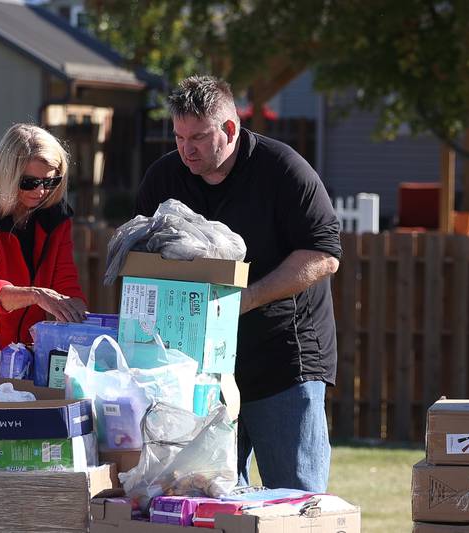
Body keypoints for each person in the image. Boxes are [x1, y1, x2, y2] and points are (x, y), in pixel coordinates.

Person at [135, 76, 341, 492]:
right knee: (209, 495)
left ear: (230, 129)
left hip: (283, 361)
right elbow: (140, 256)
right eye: (178, 136)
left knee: (296, 497)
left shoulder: (282, 169)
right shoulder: (164, 178)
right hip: (199, 370)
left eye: (197, 137)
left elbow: (324, 254)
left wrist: (242, 300)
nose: (185, 149)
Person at [0, 123, 87, 347]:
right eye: (29, 183)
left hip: (28, 349)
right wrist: (36, 295)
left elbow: (67, 285)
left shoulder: (55, 217)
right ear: (7, 176)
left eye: (50, 182)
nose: (40, 191)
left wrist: (85, 324)